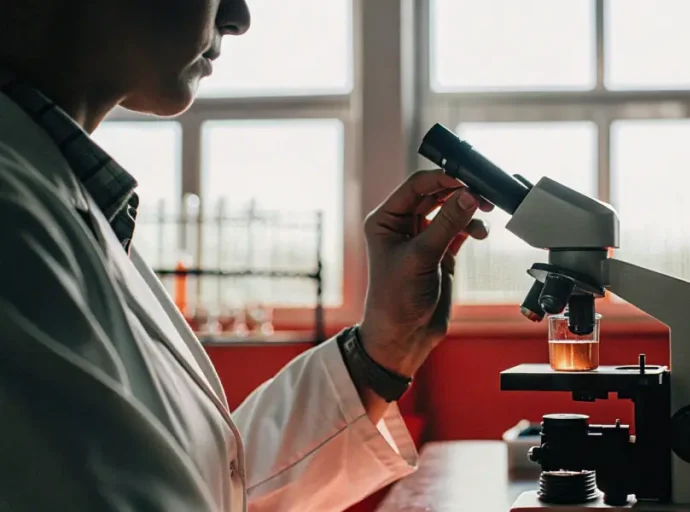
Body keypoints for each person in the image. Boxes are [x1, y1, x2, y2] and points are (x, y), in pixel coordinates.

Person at [0, 0, 492, 510]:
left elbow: (207, 485)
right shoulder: (13, 218)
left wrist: (382, 349)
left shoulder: (62, 193)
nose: (238, 16)